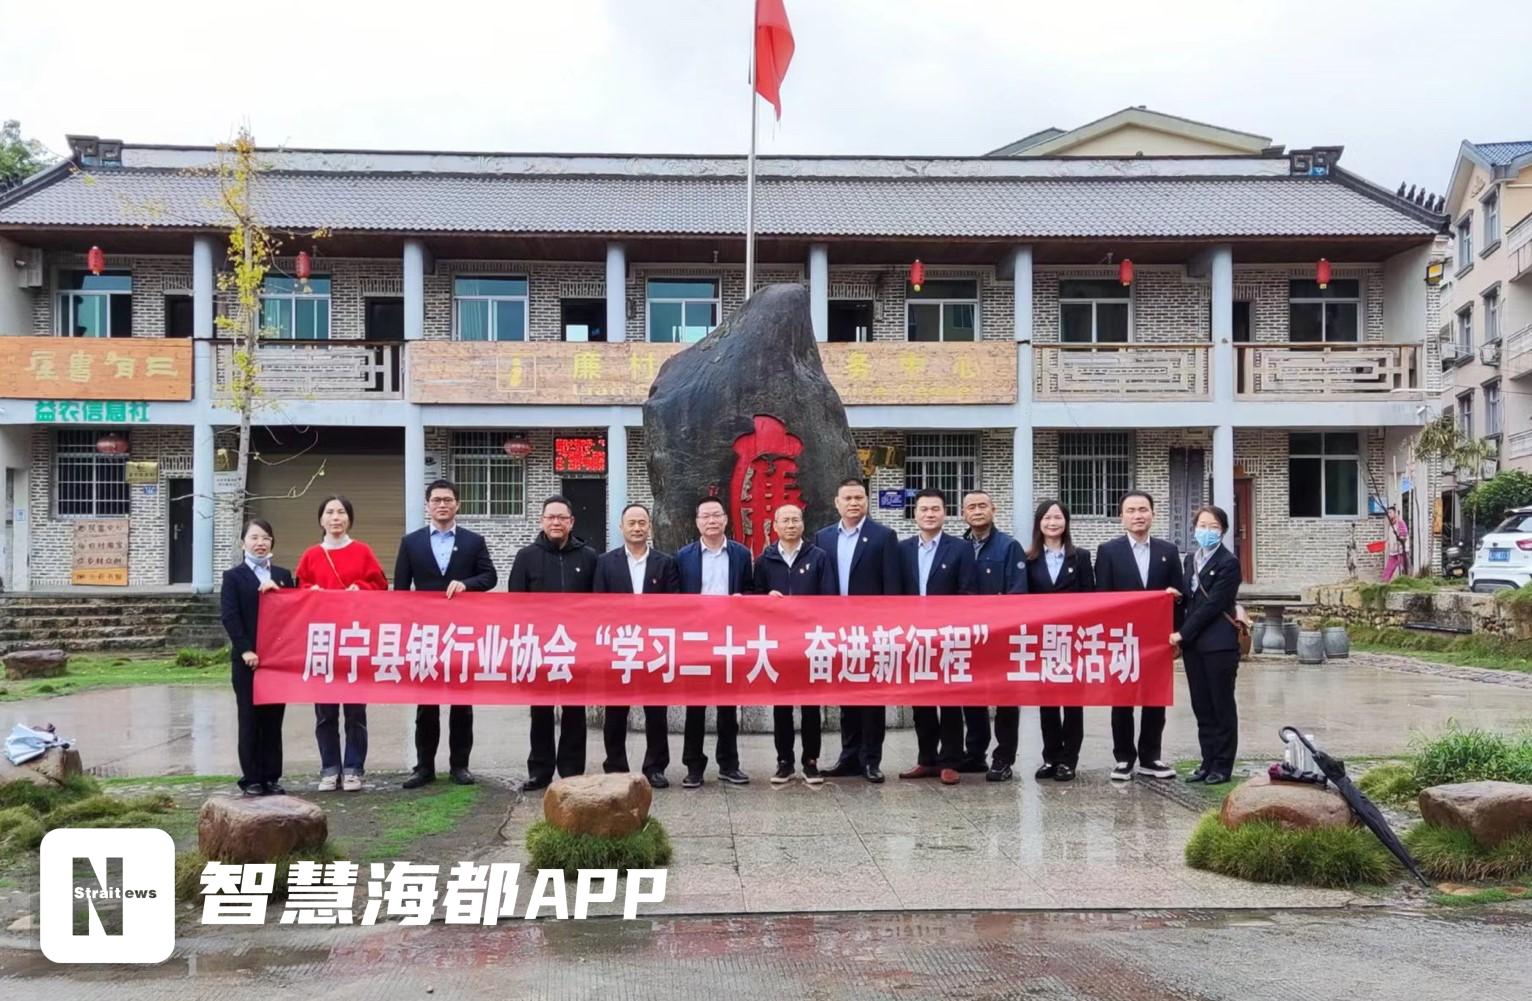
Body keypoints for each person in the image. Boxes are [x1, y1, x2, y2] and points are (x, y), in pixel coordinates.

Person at [395, 479, 498, 789]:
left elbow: (490, 576)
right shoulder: (411, 542)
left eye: (448, 500)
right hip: (425, 633)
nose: (442, 504)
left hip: (462, 633)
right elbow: (400, 590)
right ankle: (424, 766)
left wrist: (467, 584)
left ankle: (460, 765)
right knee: (426, 703)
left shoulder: (473, 541)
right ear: (427, 505)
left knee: (461, 702)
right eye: (437, 500)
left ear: (458, 505)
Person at [295, 494, 387, 792]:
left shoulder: (362, 552)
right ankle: (329, 768)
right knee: (325, 711)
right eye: (330, 512)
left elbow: (380, 585)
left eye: (341, 512)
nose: (336, 518)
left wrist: (359, 588)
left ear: (349, 518)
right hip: (322, 641)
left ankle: (353, 768)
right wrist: (313, 591)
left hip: (354, 640)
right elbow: (299, 590)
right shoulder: (311, 555)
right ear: (321, 519)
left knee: (355, 711)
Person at [508, 495, 598, 792]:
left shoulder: (588, 557)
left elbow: (598, 604)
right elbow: (516, 603)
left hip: (576, 647)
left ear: (571, 522)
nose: (556, 522)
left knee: (575, 712)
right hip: (539, 647)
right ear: (541, 521)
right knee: (541, 711)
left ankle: (572, 770)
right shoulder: (526, 556)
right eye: (551, 517)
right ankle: (540, 771)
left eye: (562, 517)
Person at [814, 478, 900, 784]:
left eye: (859, 497)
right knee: (846, 694)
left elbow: (892, 586)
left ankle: (870, 759)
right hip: (837, 631)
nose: (853, 503)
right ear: (836, 502)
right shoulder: (823, 537)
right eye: (847, 498)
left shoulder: (884, 536)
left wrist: (889, 629)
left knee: (871, 696)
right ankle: (848, 757)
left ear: (867, 501)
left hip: (872, 629)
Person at [1094, 489, 1181, 782]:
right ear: (1122, 518)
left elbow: (1178, 596)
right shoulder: (1108, 551)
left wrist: (1177, 635)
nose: (1138, 516)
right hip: (1122, 637)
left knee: (1155, 698)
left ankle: (1150, 757)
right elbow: (1102, 599)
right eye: (1131, 511)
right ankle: (1123, 758)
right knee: (1123, 699)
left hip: (1158, 639)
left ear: (1153, 514)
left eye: (1143, 510)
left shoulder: (1168, 552)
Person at [596, 503, 681, 788]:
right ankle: (615, 765)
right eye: (631, 523)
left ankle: (655, 767)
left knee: (656, 711)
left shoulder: (665, 563)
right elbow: (598, 605)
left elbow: (674, 605)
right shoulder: (605, 562)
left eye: (642, 522)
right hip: (619, 646)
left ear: (650, 527)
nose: (636, 528)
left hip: (654, 647)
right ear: (621, 527)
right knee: (615, 711)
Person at [751, 502, 836, 785]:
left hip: (811, 641)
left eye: (795, 520)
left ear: (803, 524)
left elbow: (829, 597)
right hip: (778, 642)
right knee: (782, 705)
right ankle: (784, 761)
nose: (790, 525)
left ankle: (810, 761)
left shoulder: (819, 557)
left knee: (811, 705)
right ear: (774, 526)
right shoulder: (765, 560)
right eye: (784, 520)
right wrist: (767, 600)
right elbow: (754, 597)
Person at [897, 489, 978, 786]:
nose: (929, 514)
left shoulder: (960, 548)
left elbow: (968, 591)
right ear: (915, 514)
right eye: (923, 509)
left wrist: (949, 624)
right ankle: (927, 758)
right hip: (913, 636)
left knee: (949, 699)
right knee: (921, 701)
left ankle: (951, 760)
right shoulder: (902, 549)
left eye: (935, 509)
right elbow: (895, 593)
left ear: (945, 513)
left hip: (947, 635)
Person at [675, 496, 754, 788]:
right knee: (695, 707)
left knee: (727, 707)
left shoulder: (741, 554)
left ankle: (729, 764)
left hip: (729, 638)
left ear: (725, 520)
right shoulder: (683, 556)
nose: (711, 521)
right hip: (696, 639)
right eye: (705, 516)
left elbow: (750, 590)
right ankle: (693, 766)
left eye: (716, 515)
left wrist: (742, 600)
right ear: (697, 522)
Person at [219, 518, 294, 796]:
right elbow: (230, 616)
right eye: (254, 538)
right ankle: (251, 778)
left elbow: (293, 614)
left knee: (273, 721)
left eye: (265, 538)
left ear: (272, 542)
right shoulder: (233, 577)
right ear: (243, 543)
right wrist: (245, 649)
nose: (260, 543)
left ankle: (271, 776)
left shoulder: (284, 575)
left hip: (278, 662)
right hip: (247, 661)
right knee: (250, 719)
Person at [1024, 499, 1095, 783]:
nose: (1053, 523)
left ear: (1066, 522)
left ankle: (1069, 760)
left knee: (1072, 702)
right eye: (1047, 518)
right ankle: (1050, 757)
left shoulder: (1080, 557)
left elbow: (1091, 598)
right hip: (1043, 640)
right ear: (1039, 523)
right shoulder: (1029, 560)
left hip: (1073, 639)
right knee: (1048, 702)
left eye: (1058, 518)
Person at [961, 489, 1027, 783]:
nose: (977, 511)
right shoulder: (957, 546)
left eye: (982, 506)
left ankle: (1003, 758)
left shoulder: (1009, 546)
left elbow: (1018, 591)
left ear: (993, 509)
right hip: (968, 635)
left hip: (1001, 635)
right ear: (963, 513)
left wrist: (997, 613)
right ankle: (974, 753)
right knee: (971, 695)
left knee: (1005, 698)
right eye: (971, 507)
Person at [1173, 505, 1242, 786]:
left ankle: (1222, 766)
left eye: (1213, 527)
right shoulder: (1191, 559)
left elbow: (1213, 605)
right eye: (1202, 525)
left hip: (1219, 644)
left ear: (1223, 530)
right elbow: (1190, 599)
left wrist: (1181, 633)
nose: (1207, 531)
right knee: (1201, 706)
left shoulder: (1229, 562)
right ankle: (1207, 761)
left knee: (1221, 705)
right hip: (1195, 647)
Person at [1382, 505, 1410, 583]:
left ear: (1395, 513)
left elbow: (1404, 535)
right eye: (1388, 513)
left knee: (1406, 569)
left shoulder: (1400, 523)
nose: (1389, 514)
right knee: (1388, 570)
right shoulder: (1391, 525)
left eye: (1390, 512)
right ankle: (1384, 584)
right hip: (1393, 552)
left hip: (1401, 551)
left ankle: (1408, 582)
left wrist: (1400, 539)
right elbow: (1390, 538)